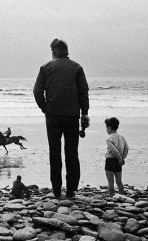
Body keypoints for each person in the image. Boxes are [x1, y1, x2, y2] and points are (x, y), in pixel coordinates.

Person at [33, 39, 89, 198]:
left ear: (54, 52)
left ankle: (56, 190)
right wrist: (84, 112)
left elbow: (37, 91)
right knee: (72, 153)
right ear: (66, 51)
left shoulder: (45, 68)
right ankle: (71, 190)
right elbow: (83, 92)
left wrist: (45, 108)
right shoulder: (77, 68)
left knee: (54, 152)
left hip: (53, 116)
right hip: (72, 116)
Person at [104, 117, 129, 196]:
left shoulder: (109, 138)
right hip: (118, 162)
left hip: (110, 161)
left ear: (109, 127)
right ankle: (121, 195)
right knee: (119, 181)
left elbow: (114, 150)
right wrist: (122, 158)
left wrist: (119, 158)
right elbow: (127, 148)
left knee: (110, 181)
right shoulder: (122, 137)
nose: (106, 130)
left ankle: (111, 196)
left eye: (106, 128)